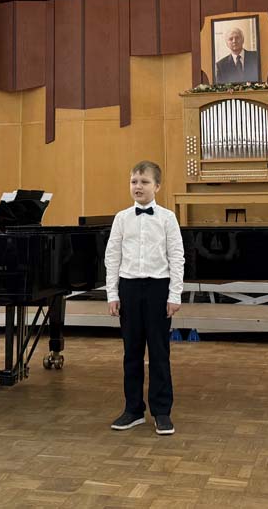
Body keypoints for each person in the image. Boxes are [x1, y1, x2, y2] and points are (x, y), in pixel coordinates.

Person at [105, 160, 185, 436]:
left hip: (158, 288)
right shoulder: (121, 218)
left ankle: (162, 412)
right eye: (134, 182)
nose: (138, 186)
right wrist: (112, 294)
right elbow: (112, 257)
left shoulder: (167, 218)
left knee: (160, 352)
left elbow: (177, 256)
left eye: (144, 182)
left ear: (157, 186)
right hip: (129, 288)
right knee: (132, 352)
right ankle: (133, 410)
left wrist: (175, 294)